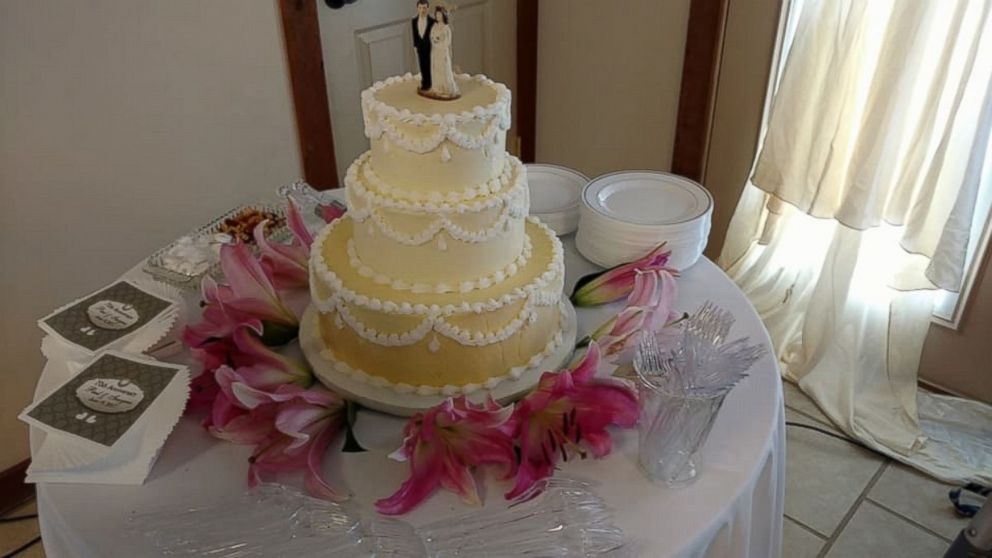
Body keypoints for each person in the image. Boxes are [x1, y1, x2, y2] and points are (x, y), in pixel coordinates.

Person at [428, 6, 459, 99]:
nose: (438, 17)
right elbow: (431, 37)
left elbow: (447, 42)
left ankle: (446, 88)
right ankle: (437, 88)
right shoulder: (434, 26)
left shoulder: (446, 29)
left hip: (442, 52)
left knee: (444, 69)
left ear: (443, 16)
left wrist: (440, 45)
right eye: (436, 15)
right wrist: (435, 41)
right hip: (435, 52)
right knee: (436, 70)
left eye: (440, 15)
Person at [411, 0, 434, 91]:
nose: (422, 10)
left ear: (428, 8)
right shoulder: (414, 21)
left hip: (430, 47)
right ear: (417, 8)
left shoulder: (432, 21)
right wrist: (415, 46)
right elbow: (415, 34)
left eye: (424, 8)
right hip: (420, 47)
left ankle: (430, 82)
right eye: (420, 8)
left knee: (429, 65)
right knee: (422, 65)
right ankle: (424, 82)